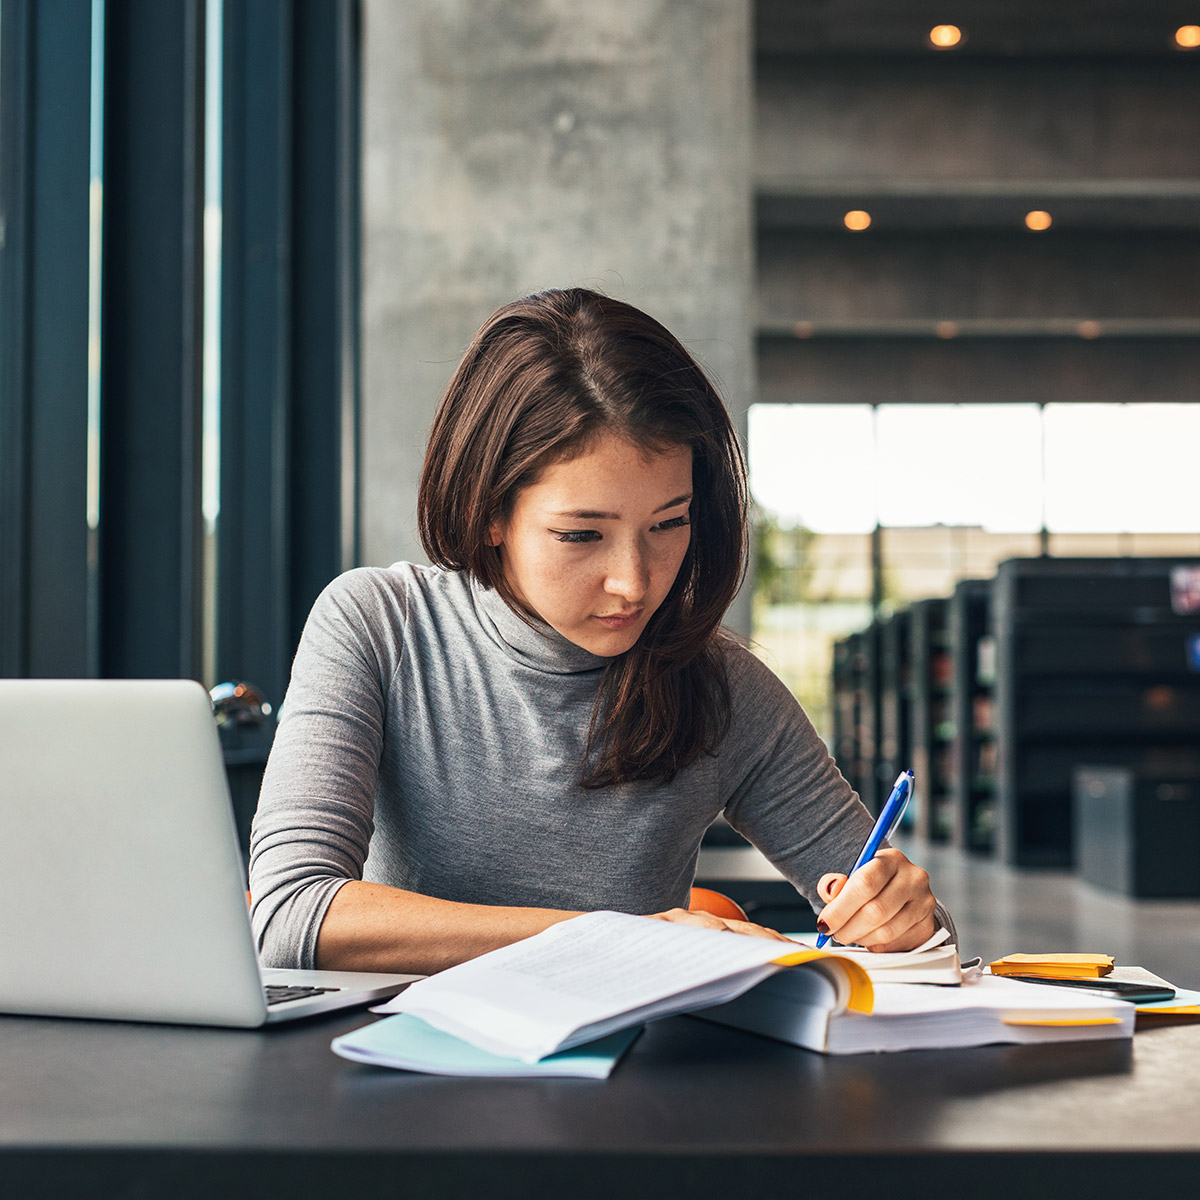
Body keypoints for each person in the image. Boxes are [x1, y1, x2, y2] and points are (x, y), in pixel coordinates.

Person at [248, 287, 952, 974]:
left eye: (668, 525)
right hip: (398, 1073)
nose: (635, 583)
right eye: (582, 534)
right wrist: (615, 940)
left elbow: (927, 944)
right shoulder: (380, 625)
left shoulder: (724, 687)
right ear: (490, 512)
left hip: (629, 1084)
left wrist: (904, 920)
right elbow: (290, 913)